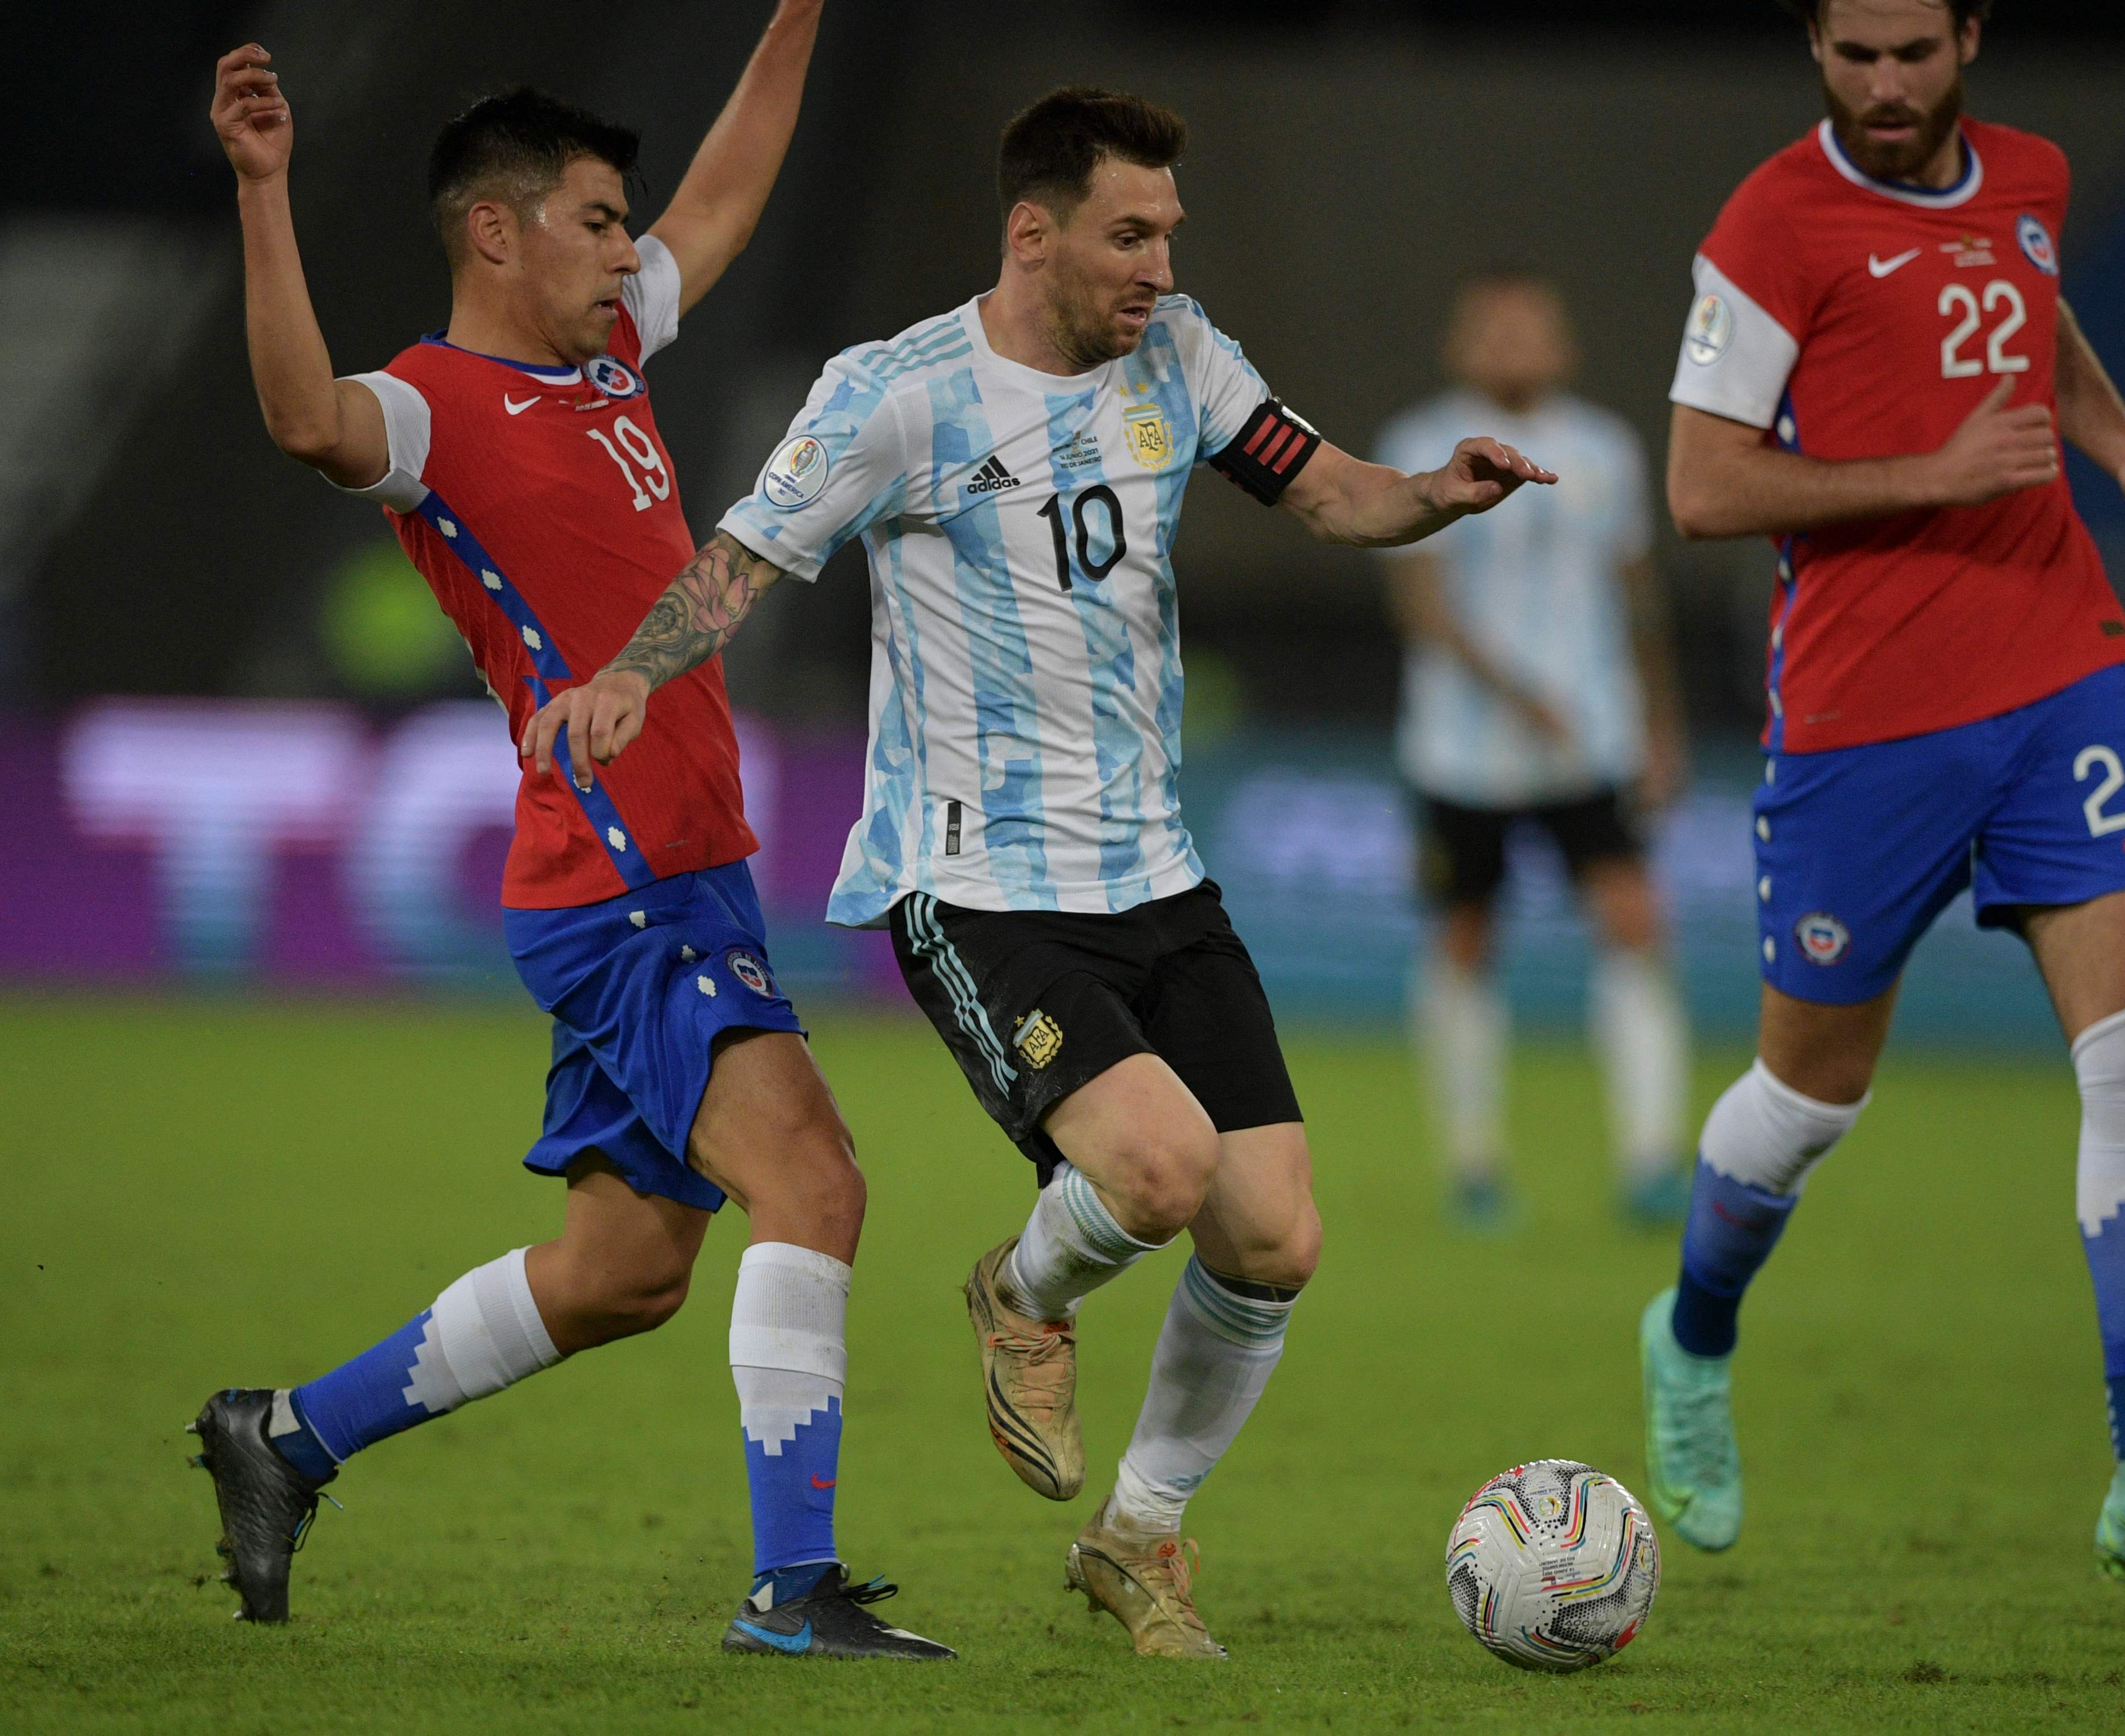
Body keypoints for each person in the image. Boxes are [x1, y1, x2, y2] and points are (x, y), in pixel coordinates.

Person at [518, 87, 1554, 1657]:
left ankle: (1135, 1539)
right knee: (1153, 1167)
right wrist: (625, 675)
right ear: (1033, 232)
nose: (1155, 263)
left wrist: (1434, 496)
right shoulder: (899, 393)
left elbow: (1326, 483)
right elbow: (738, 558)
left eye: (1166, 234)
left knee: (1273, 1233)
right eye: (1127, 234)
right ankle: (1022, 1289)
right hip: (980, 885)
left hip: (1157, 872)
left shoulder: (1182, 356)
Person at [192, 12, 957, 1659]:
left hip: (685, 861)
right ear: (496, 226)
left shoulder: (609, 355)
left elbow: (730, 197)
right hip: (624, 881)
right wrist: (265, 192)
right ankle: (792, 1587)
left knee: (621, 1270)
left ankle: (286, 1436)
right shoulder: (431, 405)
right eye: (601, 220)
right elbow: (298, 418)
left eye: (625, 225)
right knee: (812, 1178)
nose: (633, 248)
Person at [1642, 0, 2125, 1603]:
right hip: (1861, 721)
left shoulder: (2034, 174)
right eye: (1855, 55)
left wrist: (2114, 448)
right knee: (1807, 1101)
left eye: (1915, 51)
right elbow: (1700, 486)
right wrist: (1929, 471)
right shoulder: (1773, 224)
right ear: (1814, 50)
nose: (1887, 85)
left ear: (1969, 36)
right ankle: (1691, 1332)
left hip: (2064, 676)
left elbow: (2035, 323)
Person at [1377, 273, 1693, 1233]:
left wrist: (1660, 720)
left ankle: (1651, 1160)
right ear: (1459, 344)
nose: (1514, 341)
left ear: (1564, 344)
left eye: (1532, 325)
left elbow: (1637, 594)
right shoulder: (1415, 444)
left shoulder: (1605, 449)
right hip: (1460, 749)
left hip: (1589, 742)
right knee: (1466, 937)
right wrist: (1517, 693)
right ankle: (1474, 1165)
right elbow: (1420, 604)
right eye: (1494, 326)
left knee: (1634, 922)